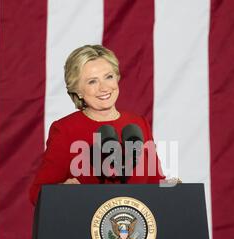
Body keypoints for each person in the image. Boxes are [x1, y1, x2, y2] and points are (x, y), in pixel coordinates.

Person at [29, 44, 166, 205]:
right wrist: (61, 190)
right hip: (86, 227)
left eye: (108, 77)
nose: (104, 88)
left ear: (117, 77)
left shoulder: (138, 124)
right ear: (78, 90)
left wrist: (173, 189)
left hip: (135, 226)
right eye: (92, 81)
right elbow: (37, 193)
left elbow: (154, 182)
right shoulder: (65, 130)